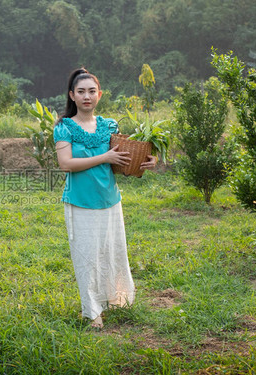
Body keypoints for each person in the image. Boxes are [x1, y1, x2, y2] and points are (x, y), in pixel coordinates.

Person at [53, 68, 157, 329]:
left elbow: (121, 162)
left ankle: (115, 299)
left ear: (98, 95)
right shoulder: (64, 127)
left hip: (110, 200)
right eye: (81, 92)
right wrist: (104, 157)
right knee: (86, 257)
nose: (86, 96)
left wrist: (145, 161)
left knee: (111, 253)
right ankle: (92, 313)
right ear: (72, 96)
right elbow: (66, 164)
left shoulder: (109, 125)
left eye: (91, 91)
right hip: (80, 201)